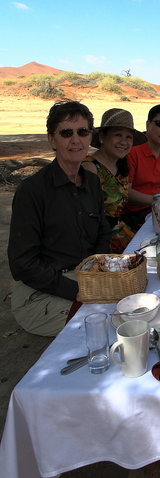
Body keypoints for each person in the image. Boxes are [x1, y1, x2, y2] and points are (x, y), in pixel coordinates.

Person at [8, 100, 111, 336]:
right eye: (66, 133)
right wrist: (77, 290)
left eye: (83, 132)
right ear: (52, 140)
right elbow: (23, 264)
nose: (76, 140)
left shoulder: (92, 182)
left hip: (85, 278)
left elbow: (103, 232)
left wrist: (96, 270)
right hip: (41, 293)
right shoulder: (32, 191)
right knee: (106, 323)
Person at [82, 108, 147, 254]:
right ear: (102, 136)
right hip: (101, 242)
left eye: (128, 137)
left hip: (120, 231)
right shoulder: (90, 168)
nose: (123, 142)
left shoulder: (121, 165)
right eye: (118, 135)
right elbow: (87, 219)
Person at [121, 104, 160, 230]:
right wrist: (156, 199)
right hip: (138, 212)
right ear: (148, 124)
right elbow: (125, 192)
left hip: (159, 205)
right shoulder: (132, 151)